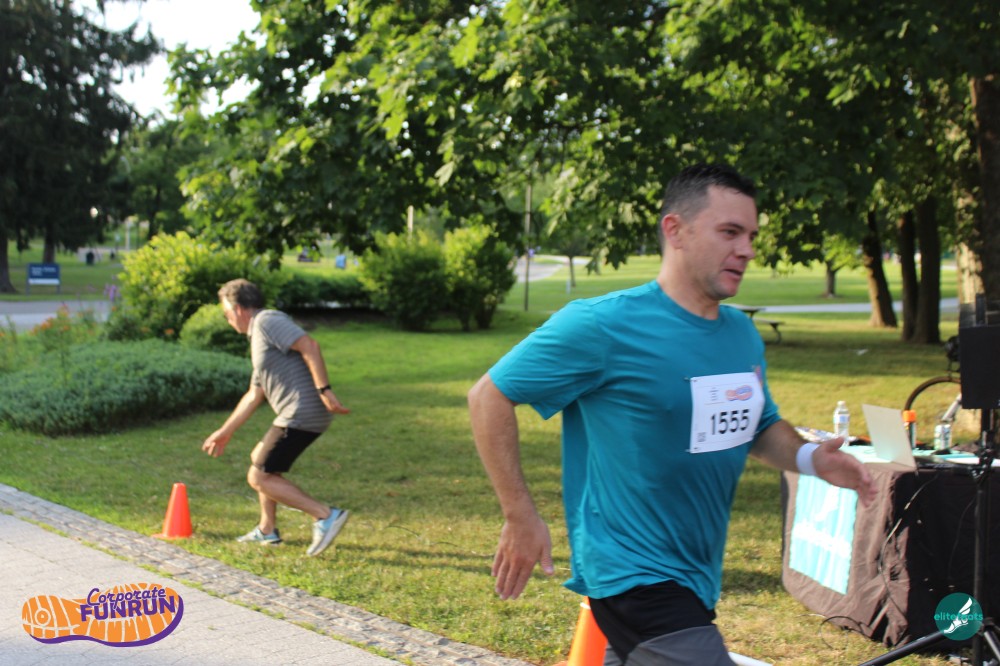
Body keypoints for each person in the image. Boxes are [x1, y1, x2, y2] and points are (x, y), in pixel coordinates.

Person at [467, 164, 878, 665]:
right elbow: (488, 396)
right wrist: (520, 515)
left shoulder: (740, 335)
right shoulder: (602, 325)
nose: (747, 249)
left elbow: (757, 426)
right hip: (631, 573)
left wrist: (812, 459)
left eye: (750, 236)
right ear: (675, 230)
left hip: (694, 578)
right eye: (730, 232)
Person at [203, 278, 351, 557]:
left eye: (226, 313)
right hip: (294, 413)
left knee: (259, 476)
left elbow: (310, 345)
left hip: (301, 412)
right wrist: (225, 431)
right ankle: (267, 529)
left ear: (238, 308)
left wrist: (324, 389)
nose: (227, 320)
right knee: (261, 460)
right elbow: (254, 394)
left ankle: (324, 515)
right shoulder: (258, 336)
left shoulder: (267, 320)